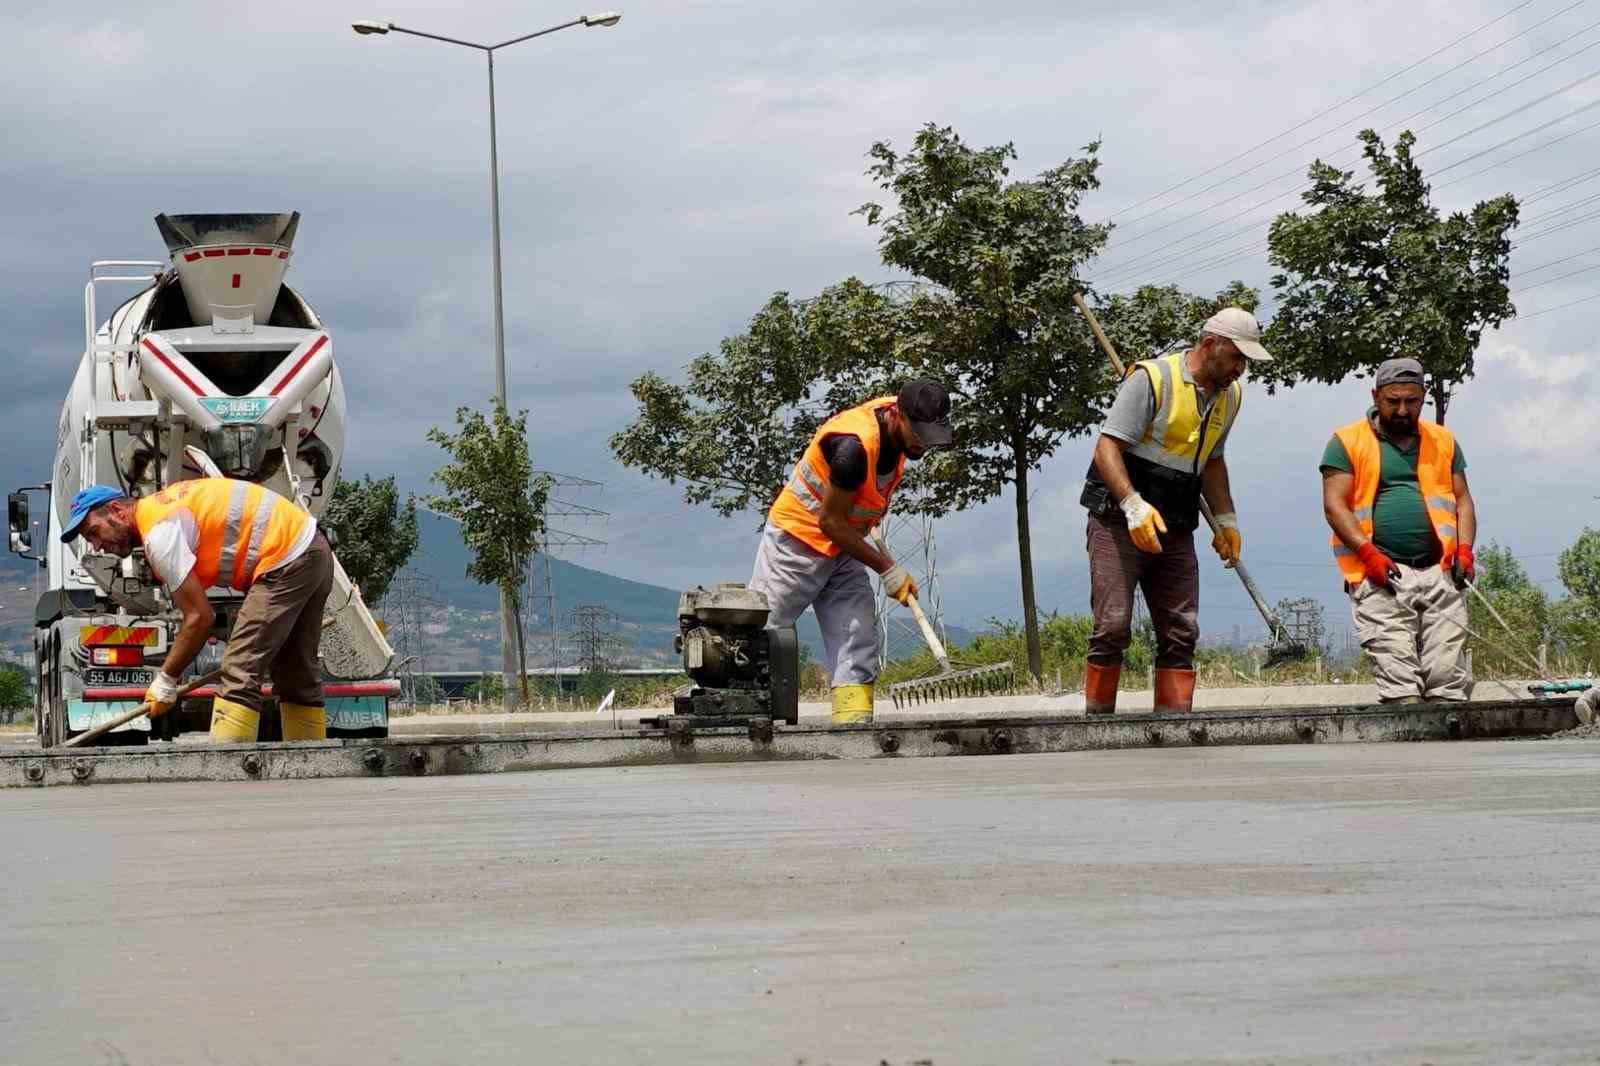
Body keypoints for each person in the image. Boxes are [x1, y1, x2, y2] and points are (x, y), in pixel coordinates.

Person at [1079, 307, 1272, 715]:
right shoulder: (1151, 379)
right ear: (1209, 345)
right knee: (1113, 625)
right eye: (1237, 358)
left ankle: (1174, 724)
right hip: (1118, 519)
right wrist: (1133, 506)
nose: (1241, 369)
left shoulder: (1230, 397)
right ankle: (1096, 723)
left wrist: (1226, 521)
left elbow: (1213, 461)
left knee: (1181, 630)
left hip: (1177, 523)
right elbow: (1107, 447)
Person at [60, 477, 334, 741]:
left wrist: (166, 680)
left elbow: (200, 618)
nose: (96, 546)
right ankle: (311, 761)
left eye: (94, 532)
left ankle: (231, 768)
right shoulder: (161, 510)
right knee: (295, 668)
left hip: (285, 558)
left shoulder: (160, 534)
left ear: (116, 510)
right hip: (312, 548)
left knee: (239, 668)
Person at [752, 380, 953, 723]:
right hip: (797, 543)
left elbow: (849, 517)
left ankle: (854, 729)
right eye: (918, 433)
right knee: (763, 634)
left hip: (846, 547)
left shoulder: (908, 415)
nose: (923, 443)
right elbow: (830, 522)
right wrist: (887, 568)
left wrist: (884, 564)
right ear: (897, 416)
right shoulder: (853, 448)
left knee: (857, 632)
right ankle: (749, 720)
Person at [1321, 357, 1476, 703]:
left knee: (1446, 678)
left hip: (1441, 572)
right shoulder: (1346, 442)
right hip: (1381, 575)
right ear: (1376, 397)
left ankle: (1447, 742)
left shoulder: (1443, 441)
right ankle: (1406, 739)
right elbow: (1335, 506)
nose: (1403, 410)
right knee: (1399, 679)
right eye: (1393, 402)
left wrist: (1464, 549)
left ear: (1423, 398)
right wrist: (1368, 553)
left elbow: (1463, 500)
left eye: (1412, 401)